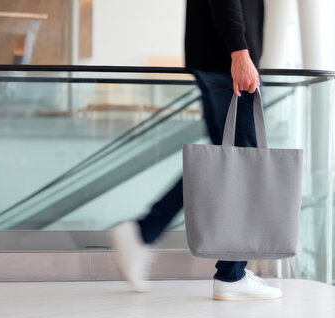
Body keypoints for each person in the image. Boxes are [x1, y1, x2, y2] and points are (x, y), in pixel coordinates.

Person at [111, 0, 282, 300]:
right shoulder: (234, 54)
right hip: (229, 60)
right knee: (241, 166)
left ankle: (146, 232)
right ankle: (229, 274)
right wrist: (239, 51)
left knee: (227, 165)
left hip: (222, 58)